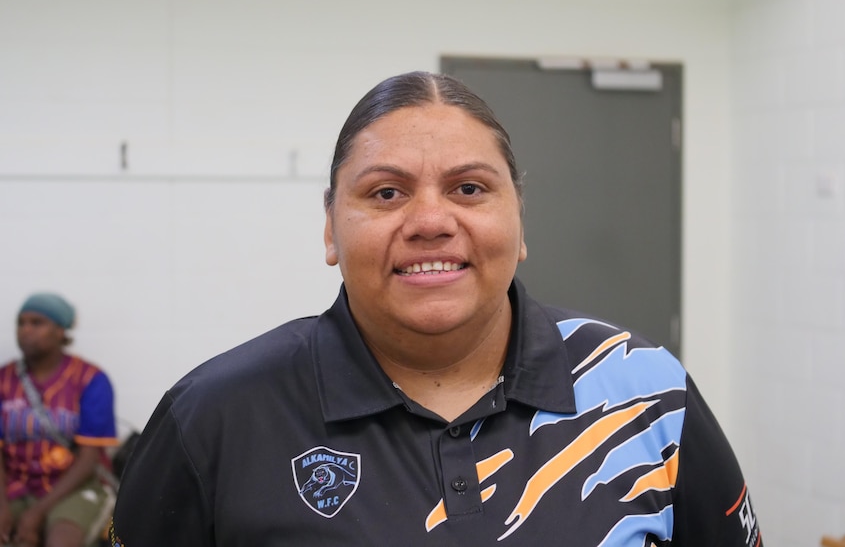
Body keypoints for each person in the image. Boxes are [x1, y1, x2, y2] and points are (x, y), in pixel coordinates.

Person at [110, 71, 764, 546]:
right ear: (331, 229)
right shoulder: (214, 418)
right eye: (386, 191)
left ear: (519, 220)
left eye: (469, 188)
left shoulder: (650, 393)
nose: (430, 220)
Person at [0, 293, 118, 547]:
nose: (25, 330)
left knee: (63, 540)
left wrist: (37, 513)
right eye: (21, 323)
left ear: (60, 331)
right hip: (14, 487)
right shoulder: (4, 379)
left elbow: (89, 458)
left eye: (36, 323)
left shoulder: (90, 380)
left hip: (72, 488)